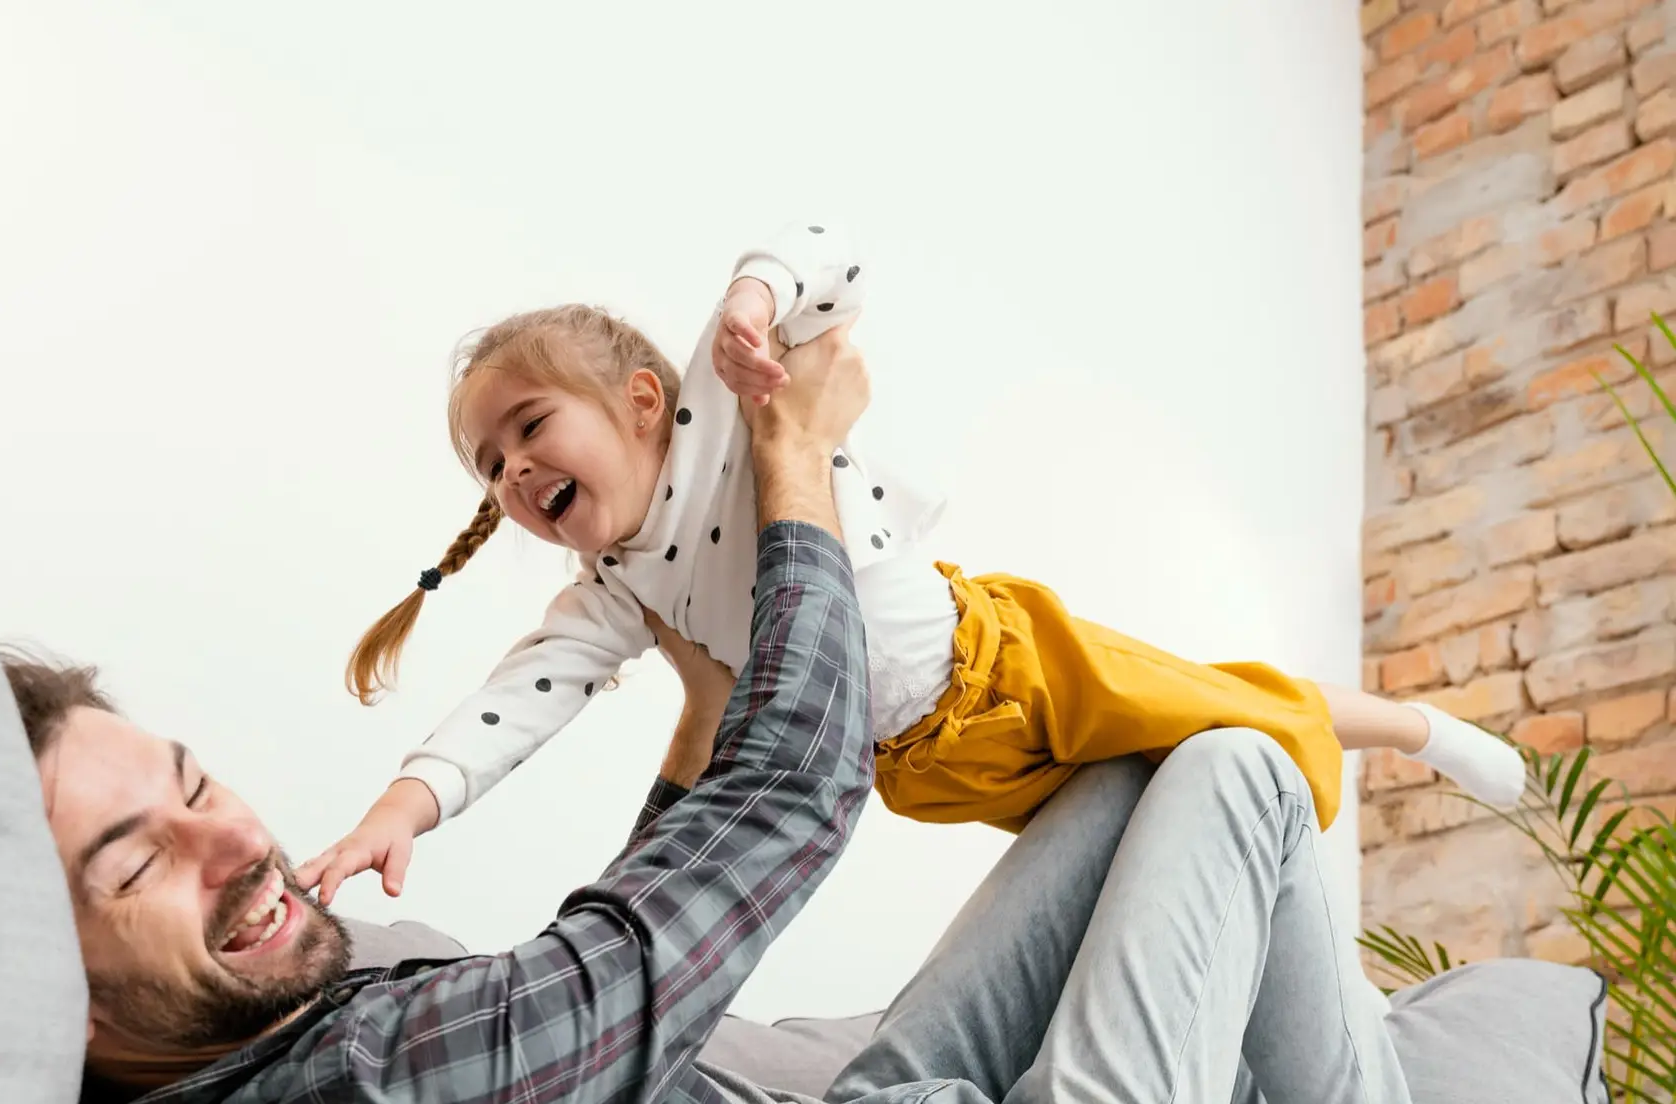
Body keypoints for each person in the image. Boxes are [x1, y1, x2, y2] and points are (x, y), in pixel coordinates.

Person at [19, 330, 1468, 1104]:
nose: (235, 839)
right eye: (135, 860)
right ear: (43, 984)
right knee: (1238, 765)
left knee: (1148, 760)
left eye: (193, 782)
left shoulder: (219, 1064)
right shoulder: (375, 1102)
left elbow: (604, 981)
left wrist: (693, 713)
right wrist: (796, 462)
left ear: (644, 407)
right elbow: (791, 793)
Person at [313, 219, 1524, 902]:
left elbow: (822, 249)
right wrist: (398, 810)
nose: (513, 471)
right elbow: (516, 702)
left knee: (1230, 709)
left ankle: (1415, 729)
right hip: (925, 769)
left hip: (1004, 664)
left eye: (530, 427)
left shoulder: (719, 409)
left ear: (638, 400)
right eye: (489, 467)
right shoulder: (614, 594)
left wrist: (750, 306)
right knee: (1131, 861)